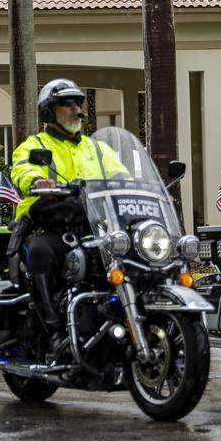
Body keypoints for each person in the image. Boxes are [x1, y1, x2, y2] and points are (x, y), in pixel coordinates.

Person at [10, 78, 129, 352]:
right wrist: (36, 182)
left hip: (92, 226)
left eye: (78, 103)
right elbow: (23, 170)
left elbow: (122, 176)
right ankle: (53, 331)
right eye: (67, 103)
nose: (77, 109)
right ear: (48, 111)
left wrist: (136, 188)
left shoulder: (97, 149)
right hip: (48, 225)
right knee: (41, 253)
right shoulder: (34, 145)